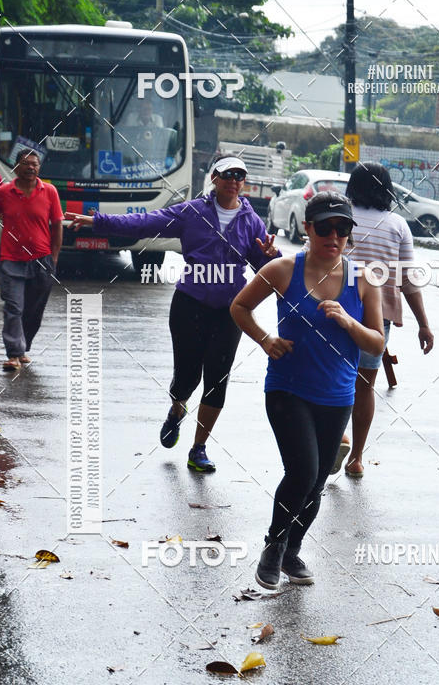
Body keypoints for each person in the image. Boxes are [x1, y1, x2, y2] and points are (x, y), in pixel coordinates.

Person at [66, 156, 279, 471]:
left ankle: (198, 449)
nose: (233, 180)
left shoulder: (252, 221)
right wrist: (97, 221)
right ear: (214, 178)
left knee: (217, 380)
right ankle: (177, 410)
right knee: (187, 377)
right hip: (189, 303)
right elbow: (145, 221)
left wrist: (273, 256)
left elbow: (267, 267)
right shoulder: (192, 212)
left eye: (239, 175)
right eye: (227, 174)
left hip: (230, 310)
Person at [230, 191, 384, 589]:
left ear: (350, 234)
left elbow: (377, 343)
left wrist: (349, 322)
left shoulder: (363, 280)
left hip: (337, 397)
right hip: (287, 389)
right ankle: (273, 546)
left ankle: (292, 550)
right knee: (303, 471)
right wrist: (265, 340)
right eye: (324, 228)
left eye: (342, 229)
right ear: (307, 228)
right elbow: (239, 307)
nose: (334, 237)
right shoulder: (284, 270)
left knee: (317, 482)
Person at [332, 161, 434, 478]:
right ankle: (357, 459)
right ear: (387, 189)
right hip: (377, 320)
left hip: (334, 313)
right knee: (365, 387)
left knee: (332, 381)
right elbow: (407, 280)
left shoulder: (338, 215)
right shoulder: (397, 225)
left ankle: (337, 439)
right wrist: (423, 323)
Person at [0, 149, 63, 371]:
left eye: (34, 164)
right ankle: (14, 354)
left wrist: (53, 257)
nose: (31, 167)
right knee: (14, 307)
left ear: (39, 168)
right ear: (16, 167)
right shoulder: (4, 192)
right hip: (11, 260)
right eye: (26, 164)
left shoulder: (50, 191)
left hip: (42, 260)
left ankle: (23, 347)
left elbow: (57, 226)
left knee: (34, 311)